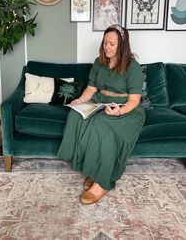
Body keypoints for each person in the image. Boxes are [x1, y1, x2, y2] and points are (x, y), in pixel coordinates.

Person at [57, 25, 146, 205]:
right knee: (75, 116)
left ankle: (102, 182)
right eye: (105, 42)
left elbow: (134, 101)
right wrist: (80, 101)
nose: (107, 47)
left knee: (100, 125)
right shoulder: (99, 62)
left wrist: (119, 111)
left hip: (126, 109)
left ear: (122, 45)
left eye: (112, 44)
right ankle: (91, 169)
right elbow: (91, 88)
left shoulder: (133, 67)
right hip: (100, 100)